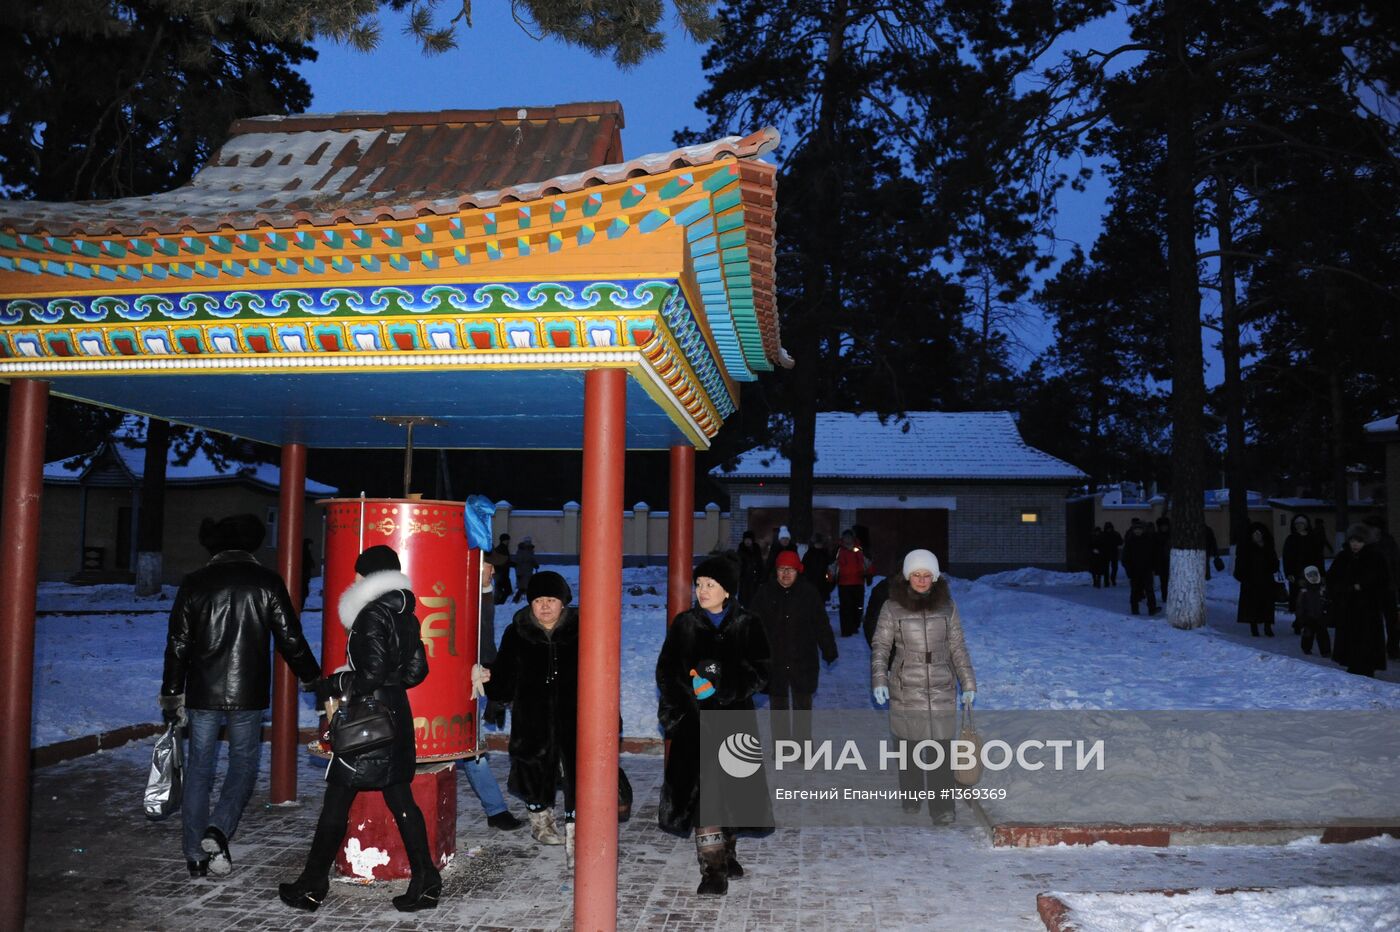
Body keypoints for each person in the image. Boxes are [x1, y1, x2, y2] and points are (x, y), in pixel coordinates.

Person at [159, 514, 321, 879]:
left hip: (201, 692)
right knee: (243, 765)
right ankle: (219, 828)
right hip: (247, 693)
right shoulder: (266, 582)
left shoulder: (195, 583)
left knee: (199, 770)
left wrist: (172, 693)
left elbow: (178, 644)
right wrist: (312, 678)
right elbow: (290, 639)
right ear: (252, 545)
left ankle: (194, 855)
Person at [279, 545, 439, 913]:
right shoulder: (407, 615)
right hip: (396, 713)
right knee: (401, 800)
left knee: (335, 804)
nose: (354, 579)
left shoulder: (371, 615)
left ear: (370, 576)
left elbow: (369, 676)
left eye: (359, 573)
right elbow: (417, 672)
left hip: (367, 721)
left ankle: (311, 886)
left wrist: (330, 685)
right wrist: (386, 683)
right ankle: (426, 880)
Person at [473, 572, 634, 868]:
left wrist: (611, 716)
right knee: (533, 769)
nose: (544, 606)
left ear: (563, 602)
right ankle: (541, 821)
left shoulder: (583, 630)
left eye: (551, 600)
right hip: (532, 716)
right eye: (537, 601)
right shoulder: (517, 632)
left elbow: (602, 678)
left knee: (579, 773)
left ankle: (578, 836)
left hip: (577, 715)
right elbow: (506, 681)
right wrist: (490, 678)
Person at [656, 555, 771, 896]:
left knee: (732, 793)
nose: (702, 591)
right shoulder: (684, 624)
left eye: (710, 585)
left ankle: (727, 851)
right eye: (699, 584)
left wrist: (725, 689)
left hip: (734, 723)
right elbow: (666, 671)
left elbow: (762, 672)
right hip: (695, 725)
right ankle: (712, 870)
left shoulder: (748, 624)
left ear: (727, 591)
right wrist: (688, 697)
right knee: (704, 797)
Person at [869, 549, 976, 825]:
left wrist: (968, 682)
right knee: (910, 746)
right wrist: (879, 679)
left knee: (940, 749)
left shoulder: (947, 607)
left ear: (934, 577)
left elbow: (957, 647)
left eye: (926, 575)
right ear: (908, 577)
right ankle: (912, 795)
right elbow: (881, 646)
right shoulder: (893, 607)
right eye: (916, 574)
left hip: (941, 684)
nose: (921, 579)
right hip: (906, 685)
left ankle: (942, 808)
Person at [750, 550, 837, 744]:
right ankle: (782, 746)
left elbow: (821, 624)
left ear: (798, 571)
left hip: (803, 658)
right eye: (782, 569)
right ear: (776, 571)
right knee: (778, 704)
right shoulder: (765, 593)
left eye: (790, 569)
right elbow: (752, 625)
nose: (786, 574)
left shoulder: (809, 593)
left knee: (803, 704)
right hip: (775, 659)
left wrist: (829, 648)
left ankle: (802, 745)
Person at [463, 550, 520, 830]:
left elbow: (484, 631)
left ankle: (496, 810)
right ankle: (496, 810)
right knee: (468, 744)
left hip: (474, 678)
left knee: (471, 743)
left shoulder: (475, 596)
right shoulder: (453, 592)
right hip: (446, 682)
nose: (493, 572)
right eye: (487, 567)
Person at [1328, 524, 1390, 677]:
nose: (1355, 545)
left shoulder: (1375, 557)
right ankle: (1352, 663)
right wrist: (1346, 587)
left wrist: (1363, 585)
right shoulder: (1344, 557)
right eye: (1353, 541)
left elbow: (1382, 580)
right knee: (1350, 636)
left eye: (1359, 541)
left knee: (1367, 637)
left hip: (1369, 606)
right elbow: (1332, 577)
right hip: (1348, 605)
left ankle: (1367, 666)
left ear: (1366, 542)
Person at [1234, 522, 1279, 637]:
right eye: (1255, 534)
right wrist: (1242, 576)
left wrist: (1273, 568)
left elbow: (1275, 562)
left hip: (1266, 581)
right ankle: (1254, 627)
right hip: (1251, 581)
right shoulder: (1246, 547)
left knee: (1267, 604)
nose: (1257, 536)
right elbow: (1240, 563)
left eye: (1259, 534)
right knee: (1252, 605)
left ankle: (1267, 626)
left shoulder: (1268, 547)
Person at [1281, 515, 1325, 614]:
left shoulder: (1313, 538)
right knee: (1298, 599)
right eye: (1297, 524)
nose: (1299, 526)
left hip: (1312, 573)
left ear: (1306, 524)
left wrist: (1322, 574)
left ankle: (1309, 623)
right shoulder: (1291, 539)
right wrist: (1288, 573)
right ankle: (1299, 622)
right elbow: (1286, 557)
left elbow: (1319, 557)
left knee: (1311, 598)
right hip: (1296, 573)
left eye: (1301, 523)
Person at [834, 529, 872, 637]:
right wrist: (831, 576)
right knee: (845, 608)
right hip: (843, 584)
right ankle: (846, 630)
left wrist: (869, 575)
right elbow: (834, 564)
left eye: (849, 537)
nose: (847, 540)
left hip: (858, 583)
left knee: (858, 607)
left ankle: (855, 625)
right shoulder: (839, 550)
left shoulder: (859, 550)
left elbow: (867, 563)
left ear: (853, 538)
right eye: (845, 537)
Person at [1120, 520, 1158, 615]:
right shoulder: (1130, 541)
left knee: (1149, 590)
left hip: (1147, 570)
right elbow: (1125, 558)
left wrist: (1153, 567)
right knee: (1135, 591)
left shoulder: (1148, 540)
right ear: (1133, 530)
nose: (1137, 531)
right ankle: (1134, 609)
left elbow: (1154, 555)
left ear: (1143, 530)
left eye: (1139, 529)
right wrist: (1129, 570)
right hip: (1134, 571)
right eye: (1136, 529)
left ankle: (1152, 609)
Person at [1295, 565, 1331, 657]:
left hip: (1320, 616)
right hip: (1308, 616)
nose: (1313, 577)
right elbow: (1300, 605)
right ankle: (1306, 648)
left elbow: (1327, 601)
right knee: (1308, 634)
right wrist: (1300, 617)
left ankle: (1325, 651)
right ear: (1306, 577)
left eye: (1315, 575)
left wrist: (1326, 607)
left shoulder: (1322, 588)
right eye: (1310, 575)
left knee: (1323, 634)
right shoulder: (1304, 590)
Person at [802, 532, 835, 604]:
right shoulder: (809, 554)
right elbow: (803, 568)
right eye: (817, 543)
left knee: (821, 604)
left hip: (822, 583)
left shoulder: (825, 553)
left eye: (820, 543)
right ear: (814, 543)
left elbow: (830, 567)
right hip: (812, 583)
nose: (819, 545)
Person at [736, 530, 765, 606]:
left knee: (755, 599)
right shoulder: (741, 550)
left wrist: (761, 576)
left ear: (752, 540)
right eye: (746, 540)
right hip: (745, 580)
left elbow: (760, 563)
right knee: (745, 600)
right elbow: (737, 564)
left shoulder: (756, 549)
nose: (747, 542)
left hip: (755, 579)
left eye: (749, 540)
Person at [492, 533, 514, 604]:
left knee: (501, 588)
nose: (508, 542)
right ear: (504, 540)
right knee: (502, 589)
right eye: (507, 540)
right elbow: (503, 561)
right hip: (501, 572)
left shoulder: (501, 548)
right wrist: (511, 564)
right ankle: (498, 602)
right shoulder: (502, 549)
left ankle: (499, 602)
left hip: (501, 571)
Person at [1154, 516, 1172, 602]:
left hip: (1171, 561)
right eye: (1162, 526)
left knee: (1171, 580)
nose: (1164, 528)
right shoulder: (1156, 536)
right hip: (1161, 562)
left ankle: (1170, 595)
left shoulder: (1172, 536)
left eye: (1165, 526)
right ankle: (1165, 596)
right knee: (1164, 581)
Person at [1101, 521, 1123, 586]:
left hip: (1113, 552)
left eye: (1109, 528)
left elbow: (1120, 542)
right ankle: (1106, 582)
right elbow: (1100, 543)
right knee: (1106, 568)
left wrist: (1116, 543)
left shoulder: (1115, 534)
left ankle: (1112, 579)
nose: (1109, 529)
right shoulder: (1103, 535)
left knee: (1114, 568)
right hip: (1106, 553)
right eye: (1107, 528)